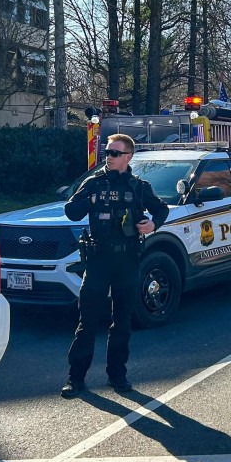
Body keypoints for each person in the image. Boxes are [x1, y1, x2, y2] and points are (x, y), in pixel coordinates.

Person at [60, 134, 170, 398]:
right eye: (107, 152)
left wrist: (154, 224)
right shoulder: (94, 184)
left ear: (128, 157)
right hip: (98, 260)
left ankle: (117, 376)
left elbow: (162, 209)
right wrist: (91, 201)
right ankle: (75, 379)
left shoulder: (138, 186)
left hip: (127, 260)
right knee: (87, 321)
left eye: (114, 153)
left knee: (122, 321)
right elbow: (71, 210)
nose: (108, 157)